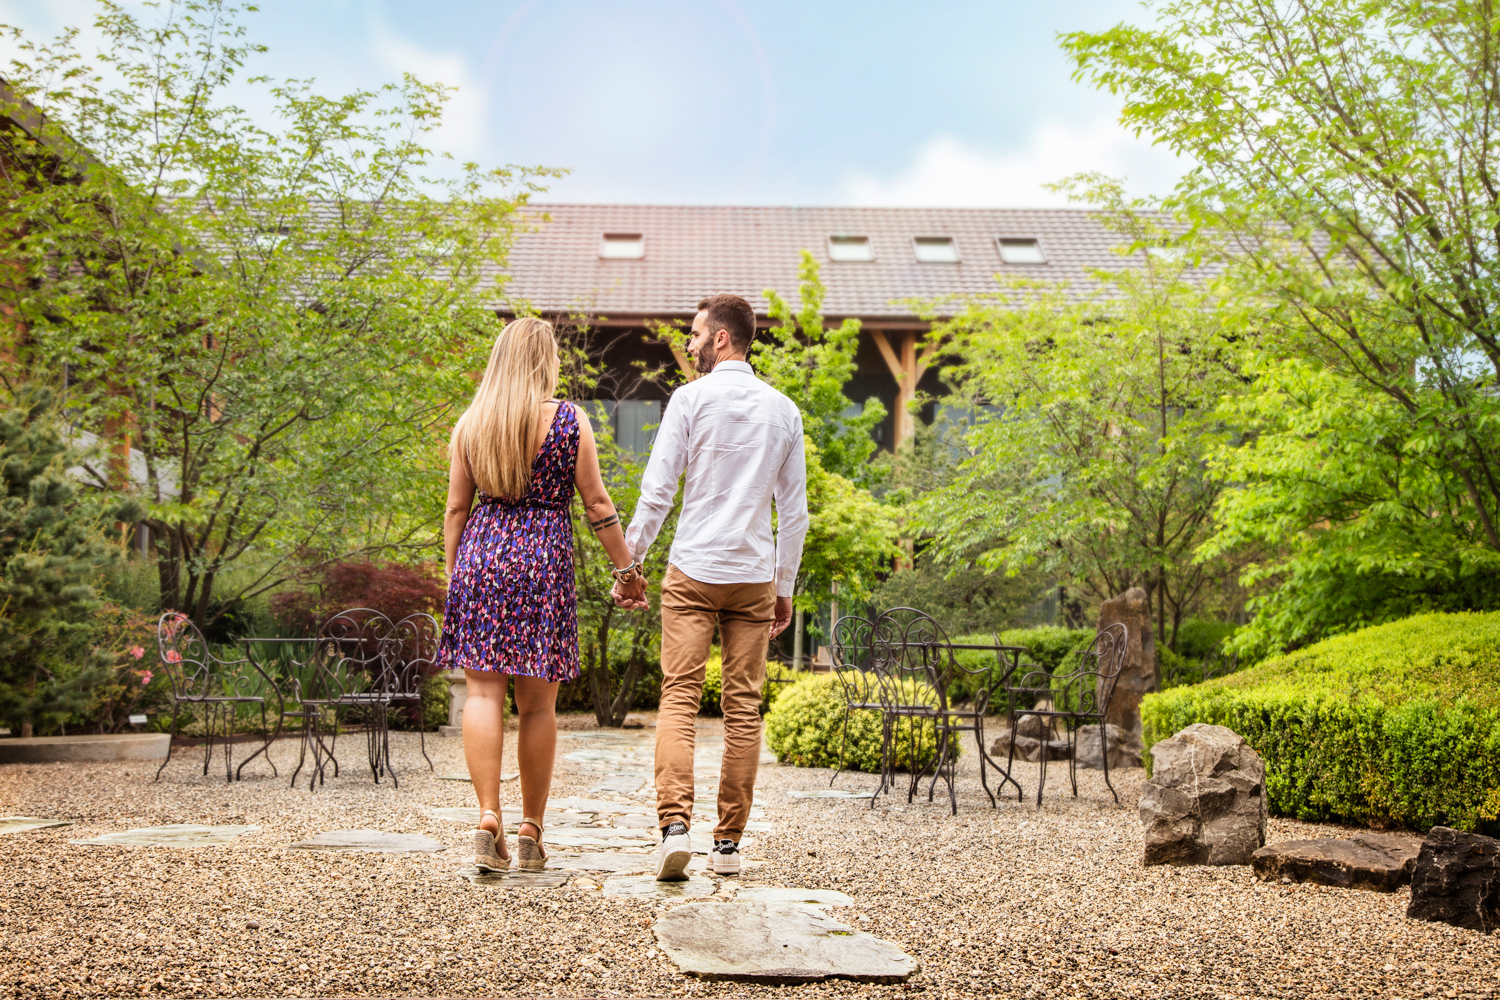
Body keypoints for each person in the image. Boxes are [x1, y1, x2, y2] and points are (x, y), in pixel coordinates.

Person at [438, 317, 643, 873]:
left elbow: (457, 509)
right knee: (537, 705)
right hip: (541, 561)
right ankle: (530, 829)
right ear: (545, 362)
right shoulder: (569, 421)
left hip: (482, 559)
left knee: (482, 694)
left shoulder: (472, 424)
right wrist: (627, 571)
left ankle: (487, 818)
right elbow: (598, 505)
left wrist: (456, 573)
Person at [616, 293, 808, 880]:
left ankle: (675, 828)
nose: (691, 343)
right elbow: (794, 513)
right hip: (752, 575)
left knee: (678, 697)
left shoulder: (689, 401)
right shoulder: (784, 410)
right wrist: (785, 586)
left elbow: (657, 492)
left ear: (722, 337)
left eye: (697, 334)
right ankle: (727, 846)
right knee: (743, 708)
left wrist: (630, 566)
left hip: (694, 569)